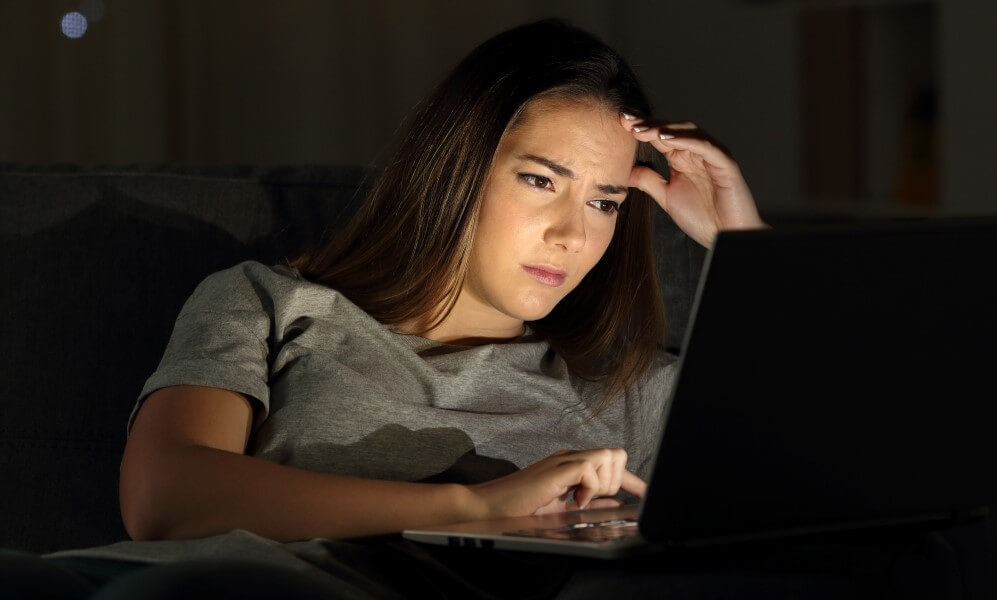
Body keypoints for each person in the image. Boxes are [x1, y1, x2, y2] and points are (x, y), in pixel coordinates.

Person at [2, 17, 801, 600]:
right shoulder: (269, 304)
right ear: (457, 168)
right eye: (540, 180)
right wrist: (473, 507)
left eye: (604, 202)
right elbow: (165, 499)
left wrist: (745, 243)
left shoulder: (643, 398)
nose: (570, 233)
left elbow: (866, 483)